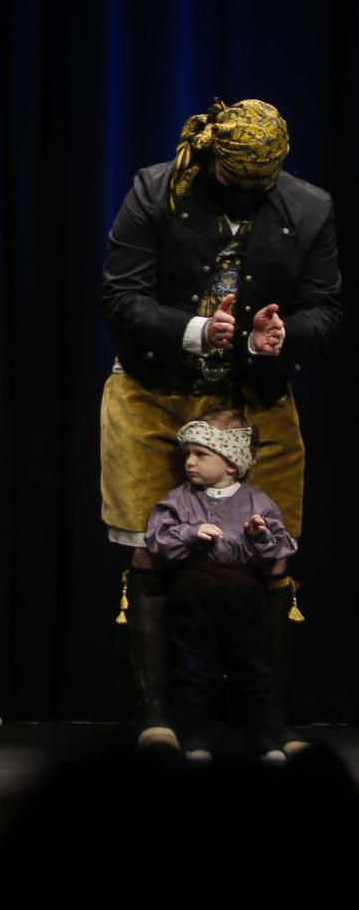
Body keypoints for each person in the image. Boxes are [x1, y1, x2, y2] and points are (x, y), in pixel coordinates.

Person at [100, 98, 337, 752]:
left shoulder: (308, 207)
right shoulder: (157, 190)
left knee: (272, 554)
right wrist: (198, 329)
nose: (255, 196)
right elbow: (119, 296)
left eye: (266, 186)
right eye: (240, 184)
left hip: (252, 397)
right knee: (154, 550)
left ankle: (269, 720)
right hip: (156, 389)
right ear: (215, 164)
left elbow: (327, 307)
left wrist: (279, 338)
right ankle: (159, 714)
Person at [144, 413, 295, 761]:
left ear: (231, 463)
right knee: (194, 672)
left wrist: (259, 537)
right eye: (188, 454)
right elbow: (159, 538)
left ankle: (263, 739)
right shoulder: (180, 499)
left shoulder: (258, 502)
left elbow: (277, 546)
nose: (189, 462)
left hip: (243, 599)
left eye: (200, 454)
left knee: (252, 671)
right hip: (193, 597)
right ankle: (195, 739)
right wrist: (190, 532)